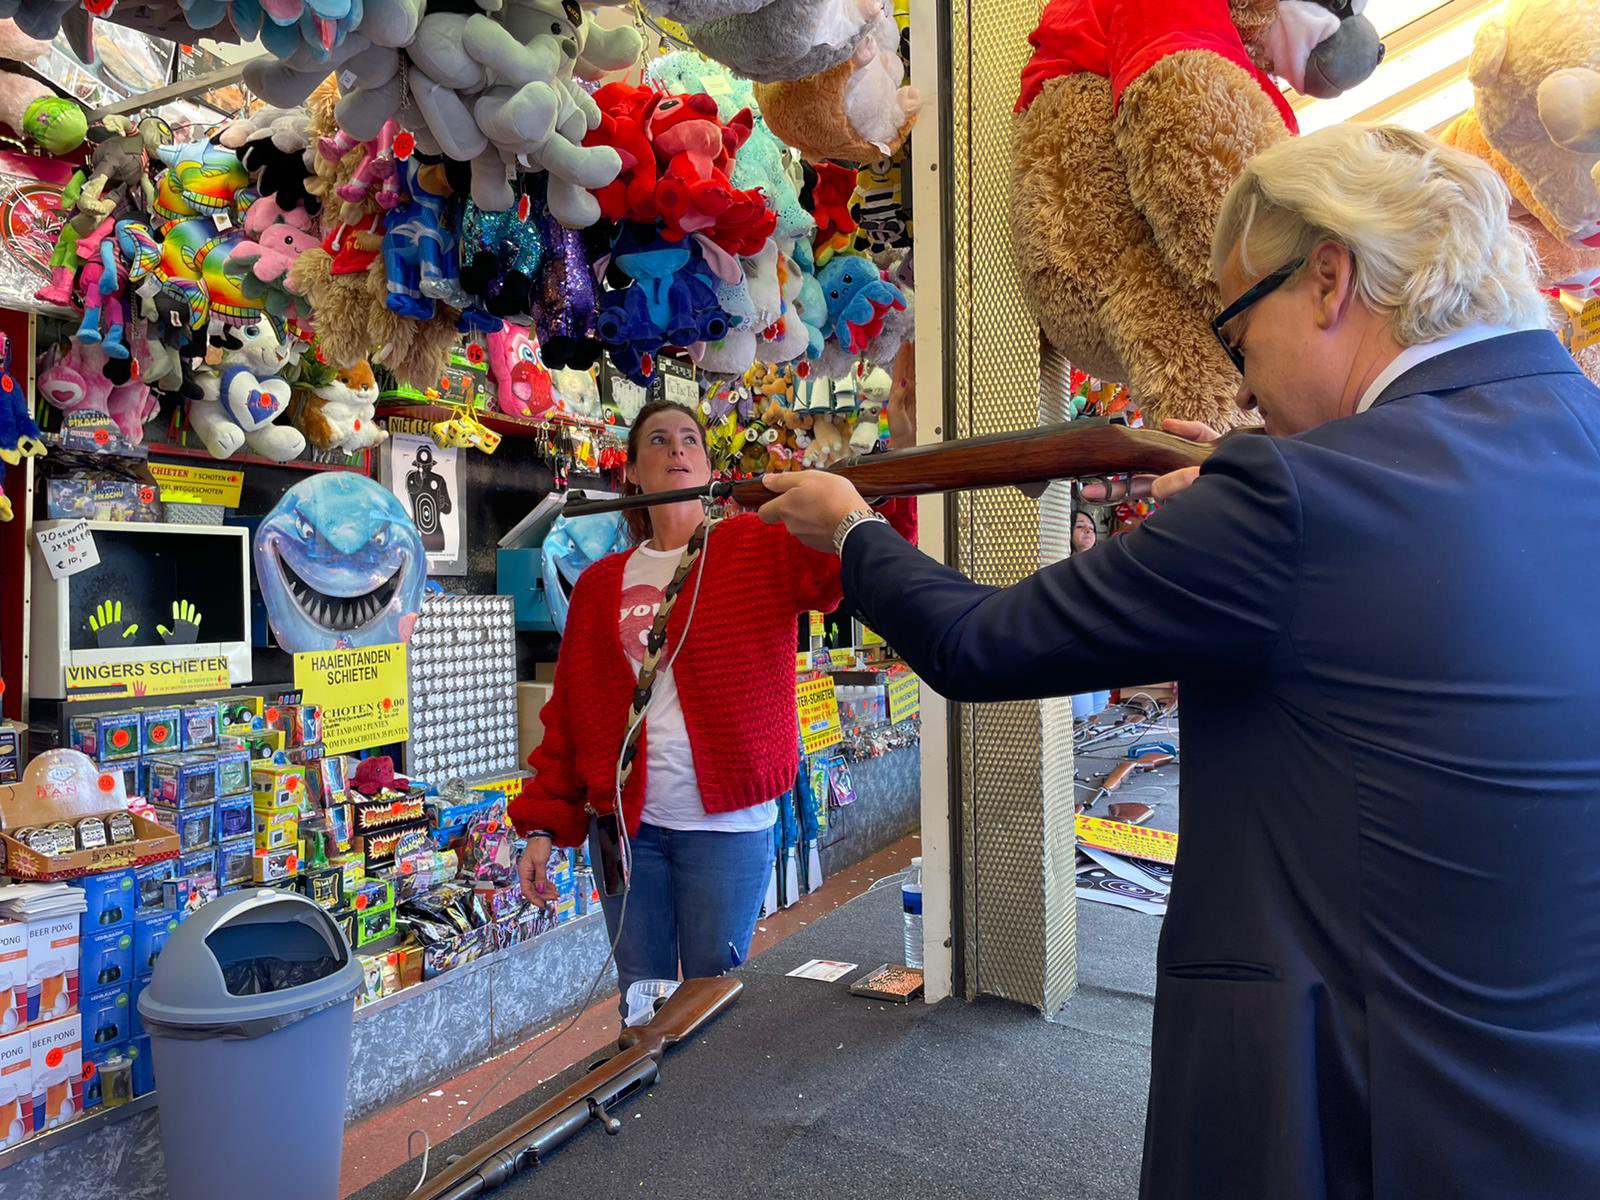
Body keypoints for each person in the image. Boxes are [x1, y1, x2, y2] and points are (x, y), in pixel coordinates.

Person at [758, 124, 1600, 1200]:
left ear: (1329, 277)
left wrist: (851, 532)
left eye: (1236, 325)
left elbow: (977, 643)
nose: (1239, 379)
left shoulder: (1294, 497)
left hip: (1348, 1104)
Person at [508, 400, 908, 1013]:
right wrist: (541, 824)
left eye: (690, 439)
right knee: (640, 1001)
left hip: (725, 828)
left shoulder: (758, 543)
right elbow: (570, 715)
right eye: (658, 440)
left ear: (706, 462)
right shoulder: (596, 585)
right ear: (631, 472)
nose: (676, 449)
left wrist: (902, 460)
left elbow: (857, 560)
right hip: (625, 829)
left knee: (713, 1001)